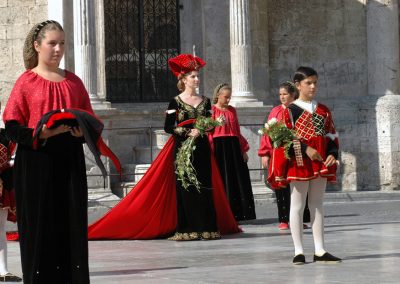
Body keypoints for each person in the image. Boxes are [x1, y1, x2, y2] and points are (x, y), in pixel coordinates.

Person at [88, 54, 241, 240]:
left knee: (204, 185)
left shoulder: (206, 101)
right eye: (193, 76)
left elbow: (208, 123)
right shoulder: (175, 102)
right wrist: (187, 132)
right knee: (185, 186)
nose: (197, 79)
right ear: (183, 79)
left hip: (201, 148)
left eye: (197, 75)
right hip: (182, 149)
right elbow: (169, 127)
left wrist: (209, 126)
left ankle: (207, 227)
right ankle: (187, 229)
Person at [3, 20, 94, 283]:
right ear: (37, 45)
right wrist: (40, 134)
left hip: (70, 162)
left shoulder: (74, 82)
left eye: (62, 43)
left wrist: (82, 132)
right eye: (52, 43)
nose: (58, 49)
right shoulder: (26, 81)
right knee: (40, 228)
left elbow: (90, 120)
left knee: (71, 226)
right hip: (36, 162)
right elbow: (11, 127)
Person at [283, 67, 341, 264]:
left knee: (317, 204)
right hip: (300, 161)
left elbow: (331, 134)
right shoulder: (290, 111)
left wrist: (333, 154)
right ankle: (298, 251)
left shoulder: (323, 110)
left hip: (320, 161)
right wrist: (306, 148)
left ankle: (320, 249)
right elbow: (283, 138)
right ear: (298, 85)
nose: (313, 86)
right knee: (297, 205)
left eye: (315, 82)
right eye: (308, 82)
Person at [258, 82, 310, 230]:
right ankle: (284, 219)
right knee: (281, 185)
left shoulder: (301, 110)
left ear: (293, 94)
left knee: (298, 185)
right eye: (280, 94)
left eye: (285, 94)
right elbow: (267, 133)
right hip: (279, 153)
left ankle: (299, 220)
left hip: (297, 152)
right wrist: (264, 153)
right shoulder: (275, 111)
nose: (282, 97)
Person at [210, 83, 256, 221]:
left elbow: (236, 130)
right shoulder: (211, 111)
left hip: (234, 145)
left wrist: (243, 150)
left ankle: (240, 212)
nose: (228, 100)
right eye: (226, 97)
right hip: (219, 147)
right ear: (218, 95)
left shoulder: (232, 110)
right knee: (223, 177)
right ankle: (224, 213)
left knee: (238, 178)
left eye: (229, 97)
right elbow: (208, 131)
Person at [0, 129, 21, 282]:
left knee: (1, 228)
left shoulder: (5, 135)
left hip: (2, 185)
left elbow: (12, 159)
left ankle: (2, 269)